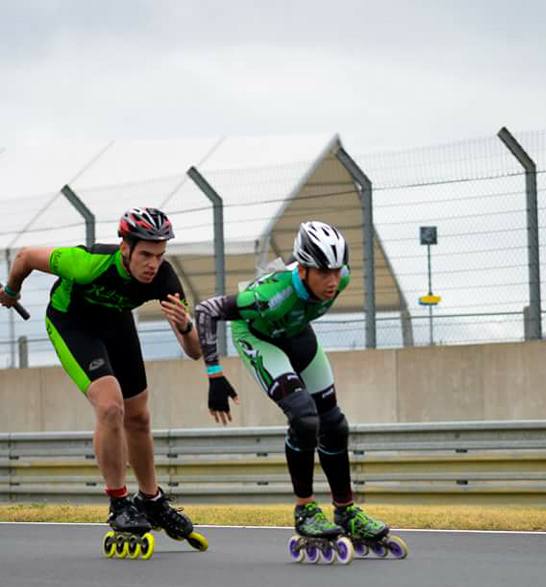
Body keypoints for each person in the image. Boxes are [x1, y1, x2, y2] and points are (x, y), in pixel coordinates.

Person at [0, 207, 202, 540]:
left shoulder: (165, 278)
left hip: (115, 324)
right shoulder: (87, 262)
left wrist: (185, 324)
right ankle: (119, 503)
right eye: (146, 255)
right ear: (125, 248)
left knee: (138, 417)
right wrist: (11, 290)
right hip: (72, 324)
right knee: (110, 406)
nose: (153, 264)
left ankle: (151, 500)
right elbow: (25, 256)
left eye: (160, 255)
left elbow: (194, 351)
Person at [194, 220, 390, 543]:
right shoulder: (270, 295)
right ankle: (305, 510)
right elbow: (206, 310)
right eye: (323, 272)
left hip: (296, 332)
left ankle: (345, 511)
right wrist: (214, 374)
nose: (332, 280)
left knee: (334, 423)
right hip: (259, 338)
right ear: (302, 271)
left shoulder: (341, 279)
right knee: (304, 417)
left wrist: (332, 275)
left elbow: (323, 287)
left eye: (337, 271)